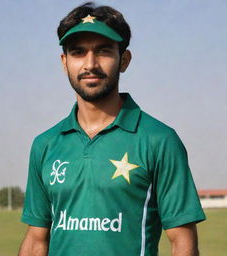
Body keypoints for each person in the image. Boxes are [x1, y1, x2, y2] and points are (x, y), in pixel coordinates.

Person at [18, 2, 206, 256]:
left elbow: (182, 241)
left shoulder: (159, 140)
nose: (90, 64)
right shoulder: (46, 144)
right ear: (64, 62)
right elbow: (36, 239)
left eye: (104, 51)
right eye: (78, 52)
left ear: (124, 60)